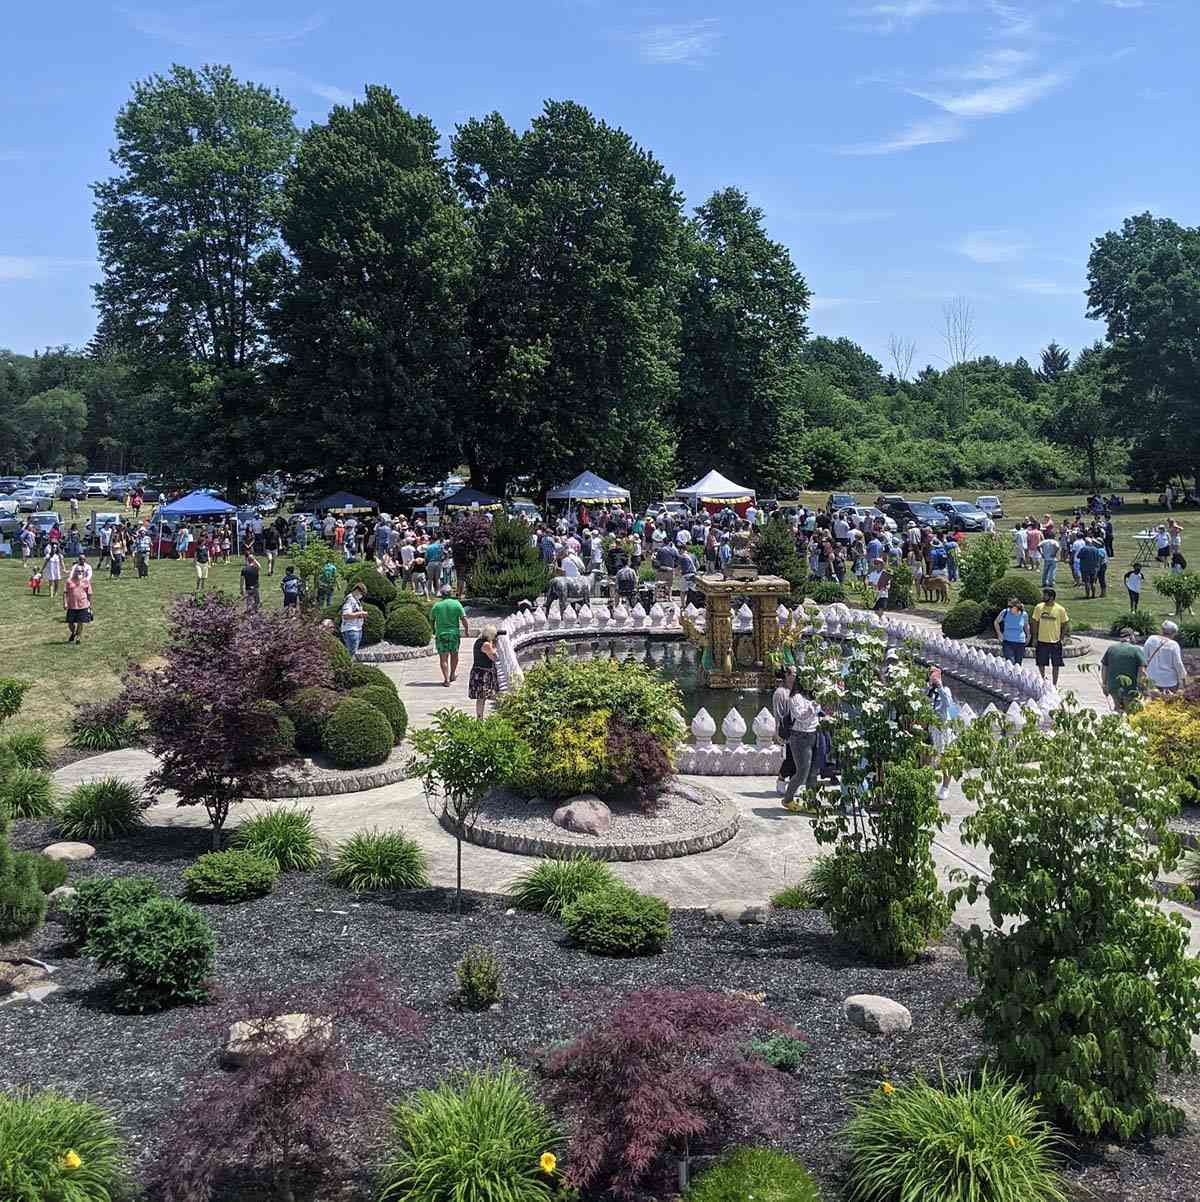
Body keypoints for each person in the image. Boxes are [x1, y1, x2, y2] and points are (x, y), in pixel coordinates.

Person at [780, 680, 821, 812]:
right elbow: (801, 717)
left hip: (814, 734)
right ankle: (787, 799)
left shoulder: (813, 695)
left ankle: (811, 803)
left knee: (813, 772)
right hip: (800, 737)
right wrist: (813, 706)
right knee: (802, 772)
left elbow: (818, 714)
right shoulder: (795, 697)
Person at [926, 667, 957, 800]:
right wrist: (928, 688)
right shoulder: (927, 690)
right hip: (931, 727)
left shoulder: (946, 690)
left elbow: (948, 704)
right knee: (928, 758)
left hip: (943, 727)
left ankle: (945, 787)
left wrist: (940, 687)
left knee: (946, 758)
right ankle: (927, 785)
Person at [1100, 628, 1148, 712]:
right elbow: (1142, 671)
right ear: (1130, 636)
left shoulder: (1111, 649)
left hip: (1113, 687)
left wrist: (1104, 684)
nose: (1135, 638)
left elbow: (1104, 668)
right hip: (1130, 688)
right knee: (1130, 712)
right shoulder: (1136, 650)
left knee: (1119, 710)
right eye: (1134, 636)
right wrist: (1143, 687)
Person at [430, 584, 469, 686]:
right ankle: (452, 674)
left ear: (441, 594)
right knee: (454, 655)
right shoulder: (456, 604)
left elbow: (432, 620)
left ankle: (446, 679)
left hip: (441, 634)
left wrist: (433, 630)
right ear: (451, 593)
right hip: (454, 634)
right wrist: (466, 630)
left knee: (443, 658)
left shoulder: (437, 606)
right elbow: (464, 619)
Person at [1030, 588, 1070, 686]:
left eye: (1045, 595)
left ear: (1051, 597)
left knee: (1056, 664)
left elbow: (1065, 623)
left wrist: (1062, 638)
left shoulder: (1060, 609)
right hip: (1041, 641)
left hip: (1055, 642)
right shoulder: (1038, 607)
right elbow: (1035, 622)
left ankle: (1054, 684)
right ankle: (1043, 680)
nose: (1043, 597)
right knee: (1041, 663)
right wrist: (1034, 638)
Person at [1143, 621, 1189, 694]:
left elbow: (1144, 658)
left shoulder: (1151, 639)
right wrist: (1184, 680)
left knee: (1152, 700)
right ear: (1173, 633)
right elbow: (1178, 664)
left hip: (1152, 679)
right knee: (1169, 700)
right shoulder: (1173, 645)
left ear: (1162, 630)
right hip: (1169, 681)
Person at [772, 665, 797, 796]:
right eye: (793, 673)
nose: (795, 675)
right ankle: (781, 779)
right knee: (790, 758)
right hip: (787, 730)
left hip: (799, 729)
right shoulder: (780, 693)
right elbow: (779, 714)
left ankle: (793, 784)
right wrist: (780, 732)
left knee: (797, 758)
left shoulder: (797, 691)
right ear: (786, 675)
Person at [468, 624, 500, 718]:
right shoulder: (486, 644)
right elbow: (493, 657)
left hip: (478, 671)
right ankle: (480, 718)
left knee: (481, 698)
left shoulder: (478, 641)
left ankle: (479, 718)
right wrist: (495, 645)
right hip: (483, 674)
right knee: (482, 697)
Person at [63, 561, 93, 644]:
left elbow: (89, 593)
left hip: (83, 605)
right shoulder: (69, 581)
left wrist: (89, 604)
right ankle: (73, 632)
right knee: (70, 623)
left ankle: (78, 638)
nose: (80, 572)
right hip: (72, 605)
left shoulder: (86, 581)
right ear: (74, 572)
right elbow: (65, 593)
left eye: (82, 571)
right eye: (78, 571)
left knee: (80, 622)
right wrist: (65, 603)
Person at [993, 598, 1029, 665]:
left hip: (1020, 642)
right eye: (1009, 606)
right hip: (1007, 642)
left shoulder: (1024, 614)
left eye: (1011, 607)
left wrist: (1028, 636)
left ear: (1016, 607)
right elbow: (996, 622)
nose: (1009, 608)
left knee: (1018, 664)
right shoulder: (1005, 612)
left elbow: (1026, 626)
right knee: (1010, 663)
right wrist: (999, 633)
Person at [339, 581, 368, 656]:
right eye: (362, 593)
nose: (362, 596)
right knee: (350, 653)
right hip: (350, 629)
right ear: (357, 590)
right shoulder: (350, 599)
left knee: (352, 652)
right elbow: (346, 615)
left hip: (357, 628)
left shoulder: (356, 600)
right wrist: (360, 613)